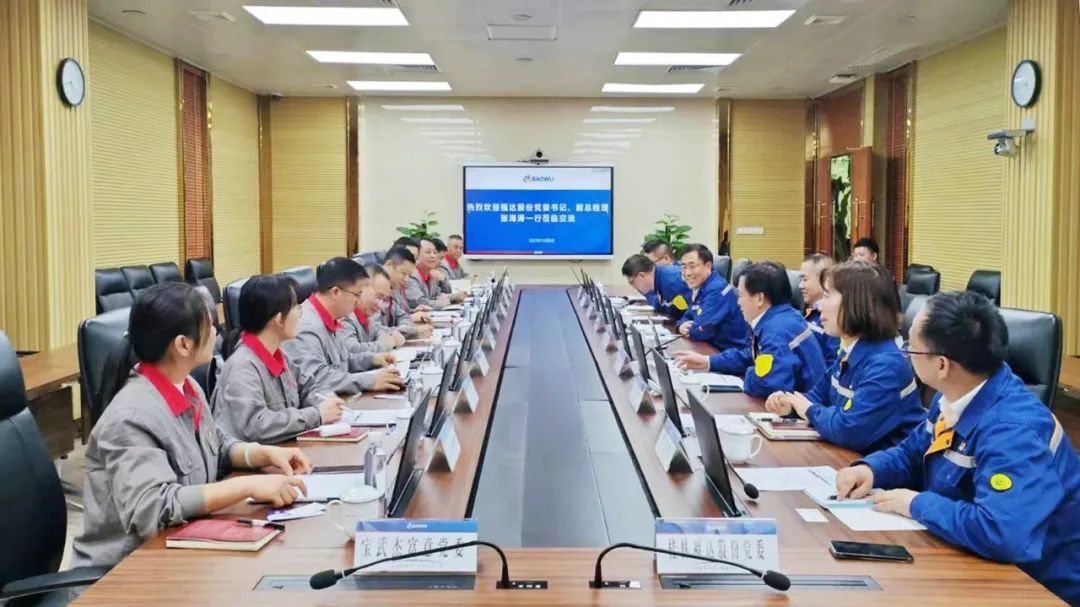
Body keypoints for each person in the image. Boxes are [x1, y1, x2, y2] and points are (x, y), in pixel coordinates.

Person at [836, 291, 1080, 605]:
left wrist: (916, 504)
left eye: (910, 348)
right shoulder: (953, 395)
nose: (905, 354)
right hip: (968, 558)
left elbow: (1001, 532)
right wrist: (871, 469)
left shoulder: (1014, 431)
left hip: (1036, 586)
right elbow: (913, 452)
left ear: (942, 365)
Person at [72, 282, 312, 569]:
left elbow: (217, 444)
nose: (217, 333)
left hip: (181, 551)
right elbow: (156, 506)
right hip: (127, 571)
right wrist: (247, 485)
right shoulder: (130, 417)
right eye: (209, 325)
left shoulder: (187, 386)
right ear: (183, 344)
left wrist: (261, 454)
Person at [765, 261, 923, 453]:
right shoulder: (850, 350)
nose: (819, 305)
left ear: (856, 303)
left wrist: (808, 409)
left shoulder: (886, 365)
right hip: (847, 457)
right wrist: (789, 404)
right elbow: (817, 396)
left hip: (872, 467)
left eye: (827, 296)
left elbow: (848, 430)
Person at [212, 275, 346, 443]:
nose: (300, 314)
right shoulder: (242, 367)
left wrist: (324, 401)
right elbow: (255, 426)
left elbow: (308, 387)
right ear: (278, 319)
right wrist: (316, 415)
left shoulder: (277, 355)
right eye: (296, 307)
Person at [675, 261, 826, 398]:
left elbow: (769, 386)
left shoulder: (777, 331)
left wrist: (750, 372)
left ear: (759, 298)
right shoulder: (780, 317)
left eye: (741, 295)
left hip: (799, 413)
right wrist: (707, 361)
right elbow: (750, 355)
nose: (738, 302)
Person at [282, 257, 403, 399]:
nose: (358, 300)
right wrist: (370, 381)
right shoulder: (306, 326)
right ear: (335, 292)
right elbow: (318, 378)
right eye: (357, 294)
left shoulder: (329, 318)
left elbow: (342, 360)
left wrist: (373, 359)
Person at [674, 243, 749, 352]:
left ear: (708, 266)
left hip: (728, 353)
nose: (687, 273)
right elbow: (687, 316)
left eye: (692, 266)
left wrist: (686, 328)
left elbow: (701, 331)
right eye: (684, 267)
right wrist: (680, 326)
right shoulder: (701, 287)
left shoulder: (717, 289)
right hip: (711, 348)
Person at [341, 264, 405, 355]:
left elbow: (376, 331)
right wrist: (384, 345)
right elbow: (352, 350)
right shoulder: (344, 317)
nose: (380, 305)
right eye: (379, 297)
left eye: (384, 300)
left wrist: (390, 335)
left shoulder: (367, 317)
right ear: (361, 288)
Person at [377, 246, 434, 339]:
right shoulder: (372, 289)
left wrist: (406, 327)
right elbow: (376, 331)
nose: (406, 279)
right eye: (403, 273)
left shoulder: (393, 288)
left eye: (408, 275)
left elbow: (402, 317)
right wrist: (413, 331)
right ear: (389, 265)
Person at [621, 253, 691, 322]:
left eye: (632, 282)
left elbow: (691, 313)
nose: (633, 286)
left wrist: (679, 325)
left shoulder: (672, 283)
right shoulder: (659, 278)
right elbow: (665, 307)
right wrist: (648, 294)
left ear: (641, 275)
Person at [800, 253, 840, 366]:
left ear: (824, 279)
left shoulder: (834, 318)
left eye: (805, 279)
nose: (800, 285)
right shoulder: (807, 310)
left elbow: (832, 363)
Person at [406, 238, 465, 310]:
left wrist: (455, 297)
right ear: (416, 256)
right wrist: (444, 302)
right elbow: (420, 302)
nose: (433, 256)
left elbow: (438, 295)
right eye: (428, 252)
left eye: (435, 252)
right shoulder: (411, 276)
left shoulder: (431, 275)